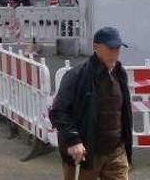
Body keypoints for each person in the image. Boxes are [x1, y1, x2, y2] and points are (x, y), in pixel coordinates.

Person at [50, 27, 132, 180]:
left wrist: (125, 144)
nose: (115, 52)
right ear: (96, 47)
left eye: (118, 48)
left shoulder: (120, 74)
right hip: (86, 153)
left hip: (116, 151)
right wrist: (73, 140)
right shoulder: (76, 76)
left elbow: (123, 111)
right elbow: (59, 112)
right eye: (111, 48)